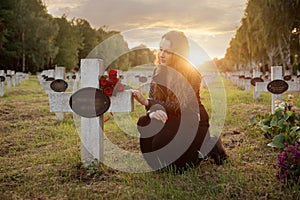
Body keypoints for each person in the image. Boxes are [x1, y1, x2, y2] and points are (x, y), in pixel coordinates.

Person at [132, 30, 227, 171]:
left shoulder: (192, 74)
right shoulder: (157, 71)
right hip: (171, 119)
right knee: (145, 123)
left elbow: (182, 107)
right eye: (160, 49)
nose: (162, 55)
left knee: (181, 166)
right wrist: (152, 111)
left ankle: (210, 144)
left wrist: (149, 103)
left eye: (168, 52)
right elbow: (153, 99)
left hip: (192, 121)